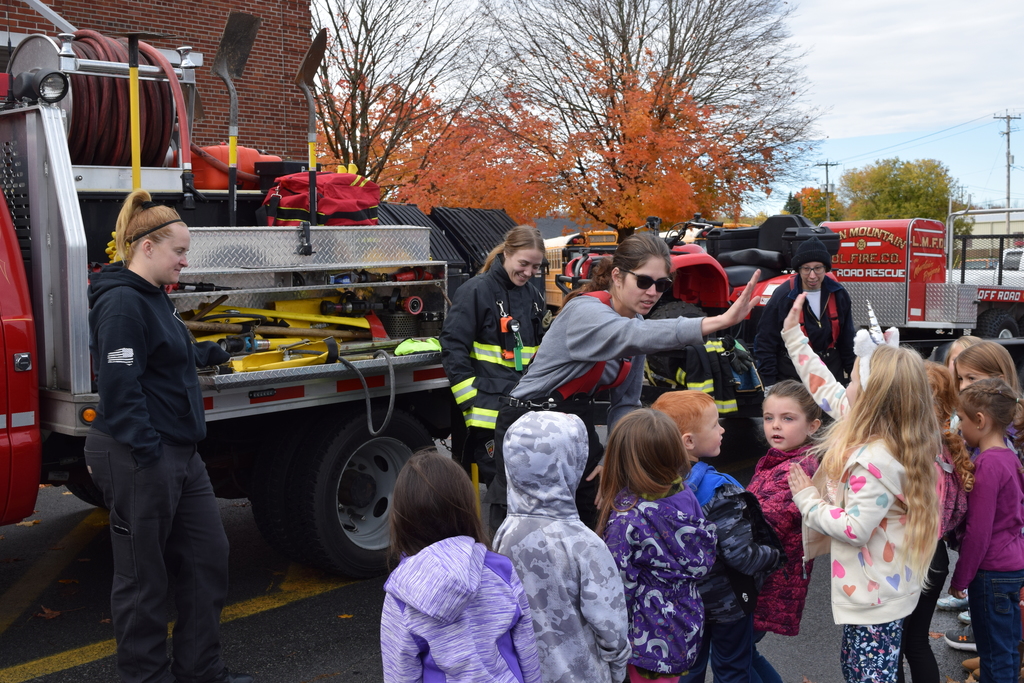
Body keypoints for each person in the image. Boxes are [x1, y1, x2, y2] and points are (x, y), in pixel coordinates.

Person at [84, 190, 248, 683]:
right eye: (178, 251)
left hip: (178, 453)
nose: (184, 260)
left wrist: (214, 351)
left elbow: (166, 355)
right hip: (141, 454)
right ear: (146, 247)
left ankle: (200, 670)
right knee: (143, 579)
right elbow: (119, 385)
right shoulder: (120, 304)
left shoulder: (154, 298)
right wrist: (149, 452)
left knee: (207, 558)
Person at [490, 233, 761, 529]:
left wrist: (609, 458)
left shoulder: (637, 323)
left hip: (572, 423)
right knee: (525, 521)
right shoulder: (586, 311)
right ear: (617, 277)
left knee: (592, 511)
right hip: (529, 423)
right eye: (644, 281)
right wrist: (718, 321)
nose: (653, 292)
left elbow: (626, 403)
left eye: (662, 284)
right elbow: (633, 337)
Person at [786, 343, 939, 683]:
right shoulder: (895, 444)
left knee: (865, 675)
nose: (847, 387)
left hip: (873, 600)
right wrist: (794, 337)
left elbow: (855, 528)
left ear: (872, 396)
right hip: (880, 593)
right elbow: (828, 392)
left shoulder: (872, 461)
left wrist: (809, 500)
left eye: (853, 380)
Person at [652, 391, 783, 683]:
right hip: (727, 603)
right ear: (688, 441)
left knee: (690, 667)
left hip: (681, 603)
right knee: (732, 667)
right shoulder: (717, 490)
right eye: (714, 425)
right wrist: (774, 554)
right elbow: (741, 555)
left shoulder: (649, 484)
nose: (723, 429)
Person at [380, 449, 542, 683]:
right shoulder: (501, 570)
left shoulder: (401, 593)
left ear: (402, 516)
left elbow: (400, 674)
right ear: (466, 508)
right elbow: (526, 649)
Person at [493, 411, 631, 683]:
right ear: (568, 465)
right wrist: (617, 671)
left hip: (524, 671)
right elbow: (610, 627)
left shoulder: (504, 533)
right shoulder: (584, 543)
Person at [598, 409, 718, 683]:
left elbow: (618, 588)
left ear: (621, 459)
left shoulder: (627, 520)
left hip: (644, 635)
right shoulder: (685, 493)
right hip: (684, 624)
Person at [440, 225, 546, 483]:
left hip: (525, 410)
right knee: (503, 491)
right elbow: (453, 347)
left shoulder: (533, 295)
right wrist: (469, 401)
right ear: (506, 253)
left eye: (536, 267)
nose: (529, 272)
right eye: (524, 263)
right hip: (488, 414)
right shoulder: (476, 291)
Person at [896, 362, 974, 683]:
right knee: (916, 642)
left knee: (892, 646)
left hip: (904, 554)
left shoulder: (901, 451)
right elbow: (956, 512)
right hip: (935, 556)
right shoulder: (949, 451)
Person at [746, 381, 823, 683]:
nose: (775, 426)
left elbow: (762, 524)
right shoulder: (776, 460)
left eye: (787, 419)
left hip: (768, 586)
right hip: (761, 581)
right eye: (769, 418)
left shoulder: (797, 469)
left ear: (813, 425)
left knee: (732, 654)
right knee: (742, 653)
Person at [948, 379, 1024, 683]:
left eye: (962, 419)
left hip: (990, 572)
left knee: (993, 653)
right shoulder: (1010, 457)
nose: (959, 426)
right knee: (1006, 648)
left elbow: (979, 532)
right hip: (1013, 564)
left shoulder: (987, 465)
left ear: (980, 420)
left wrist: (961, 578)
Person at [754, 236, 855, 387]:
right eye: (806, 269)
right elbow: (765, 342)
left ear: (826, 268)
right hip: (793, 374)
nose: (812, 275)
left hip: (830, 373)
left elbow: (847, 340)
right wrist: (769, 385)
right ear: (798, 270)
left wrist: (854, 378)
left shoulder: (838, 294)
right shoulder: (783, 296)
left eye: (818, 268)